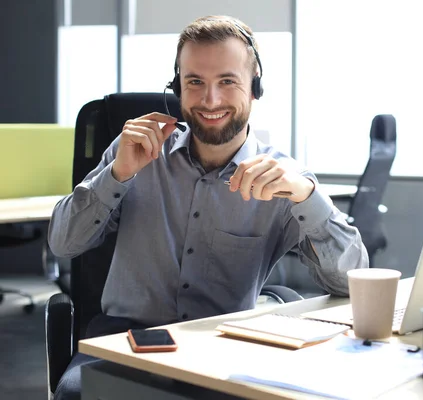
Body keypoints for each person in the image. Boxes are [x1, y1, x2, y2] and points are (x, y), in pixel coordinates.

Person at [48, 15, 368, 399]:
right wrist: (116, 175)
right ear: (177, 89)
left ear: (254, 89)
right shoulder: (134, 154)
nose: (210, 100)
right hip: (125, 341)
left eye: (227, 81)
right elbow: (63, 245)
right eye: (195, 82)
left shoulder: (283, 178)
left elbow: (353, 282)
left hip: (222, 349)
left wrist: (305, 196)